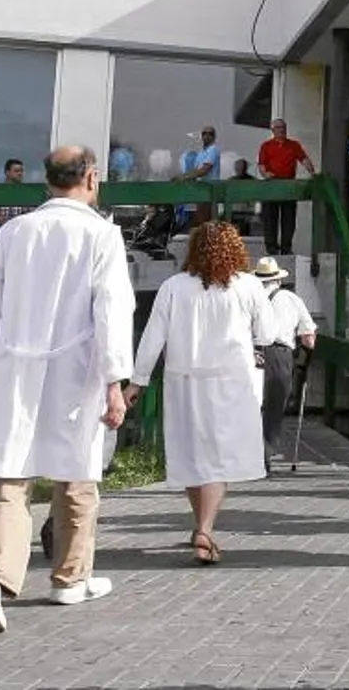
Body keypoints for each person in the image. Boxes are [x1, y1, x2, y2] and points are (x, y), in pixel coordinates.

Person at [0, 146, 133, 635]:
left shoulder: (15, 231)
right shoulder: (101, 234)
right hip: (75, 366)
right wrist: (114, 380)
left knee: (10, 478)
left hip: (13, 362)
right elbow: (112, 312)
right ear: (91, 177)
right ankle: (69, 577)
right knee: (76, 475)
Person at [125, 222, 272, 565]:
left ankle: (200, 526)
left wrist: (137, 380)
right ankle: (205, 529)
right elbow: (267, 332)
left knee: (192, 454)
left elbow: (153, 337)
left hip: (184, 379)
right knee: (217, 458)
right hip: (232, 380)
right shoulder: (249, 286)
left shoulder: (174, 287)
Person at [253, 257, 317, 465]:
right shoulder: (291, 298)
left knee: (250, 404)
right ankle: (265, 455)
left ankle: (246, 453)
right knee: (274, 405)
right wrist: (306, 357)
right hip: (280, 355)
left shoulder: (249, 297)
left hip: (250, 351)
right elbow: (308, 338)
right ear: (278, 280)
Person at [257, 118, 315, 256]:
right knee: (270, 218)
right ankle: (271, 249)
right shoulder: (266, 145)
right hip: (272, 185)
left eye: (283, 127)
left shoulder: (293, 145)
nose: (281, 130)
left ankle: (286, 248)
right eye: (278, 127)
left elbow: (304, 159)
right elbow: (261, 165)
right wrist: (265, 174)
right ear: (273, 130)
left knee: (288, 219)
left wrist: (312, 173)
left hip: (288, 185)